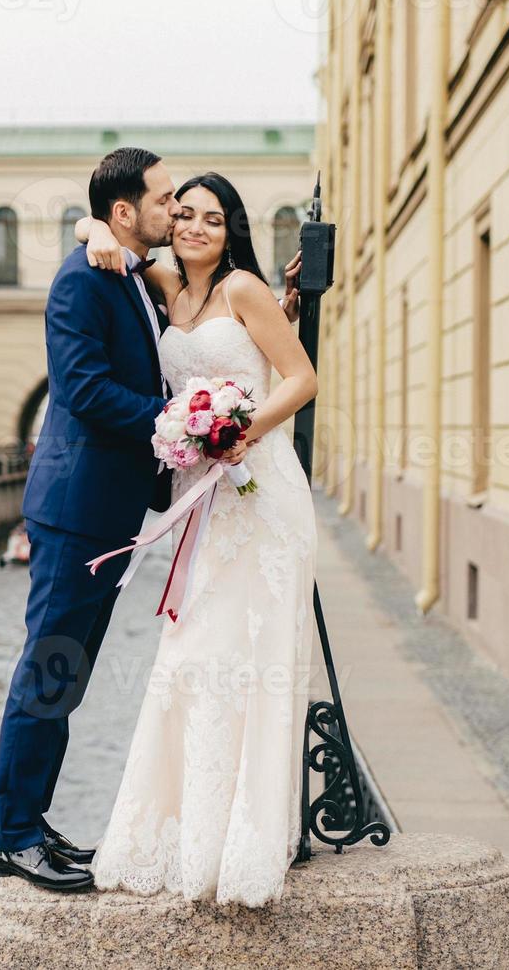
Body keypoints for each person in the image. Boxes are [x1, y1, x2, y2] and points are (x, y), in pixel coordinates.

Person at [77, 171, 317, 907]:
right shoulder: (166, 287)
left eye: (212, 219)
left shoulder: (244, 289)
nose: (194, 228)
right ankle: (186, 827)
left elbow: (301, 377)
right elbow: (102, 234)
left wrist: (244, 430)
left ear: (230, 228)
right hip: (200, 494)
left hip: (258, 489)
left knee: (250, 652)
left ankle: (247, 836)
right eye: (183, 215)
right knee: (194, 652)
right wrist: (89, 230)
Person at [0, 148, 182, 892]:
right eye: (163, 200)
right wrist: (177, 421)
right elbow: (86, 391)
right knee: (46, 673)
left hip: (105, 511)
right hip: (74, 513)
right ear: (124, 212)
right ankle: (11, 839)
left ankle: (32, 824)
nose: (172, 209)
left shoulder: (125, 271)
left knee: (64, 678)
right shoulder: (82, 280)